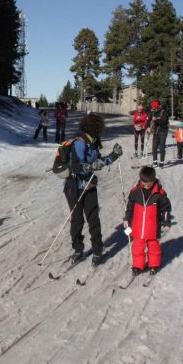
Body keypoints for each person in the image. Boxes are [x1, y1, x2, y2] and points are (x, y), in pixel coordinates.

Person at [62, 113, 123, 266]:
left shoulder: (94, 141)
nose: (100, 132)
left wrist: (113, 156)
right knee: (77, 219)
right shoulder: (80, 142)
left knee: (93, 218)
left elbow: (99, 161)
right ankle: (78, 249)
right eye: (99, 129)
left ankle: (97, 250)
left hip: (89, 185)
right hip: (74, 185)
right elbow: (76, 166)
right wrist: (91, 166)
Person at [123, 166, 171, 276]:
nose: (145, 186)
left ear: (154, 180)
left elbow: (166, 209)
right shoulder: (135, 191)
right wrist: (126, 218)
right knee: (137, 248)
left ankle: (153, 265)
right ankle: (137, 266)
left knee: (153, 247)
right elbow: (130, 207)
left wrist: (166, 222)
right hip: (138, 227)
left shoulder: (160, 193)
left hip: (152, 227)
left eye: (148, 184)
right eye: (143, 183)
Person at [146, 99, 169, 167]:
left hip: (163, 131)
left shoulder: (163, 112)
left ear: (158, 106)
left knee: (161, 147)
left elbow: (164, 123)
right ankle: (155, 161)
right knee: (154, 147)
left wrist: (157, 120)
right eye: (152, 107)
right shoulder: (152, 112)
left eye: (154, 107)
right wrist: (147, 127)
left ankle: (161, 162)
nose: (153, 108)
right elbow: (148, 120)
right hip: (156, 131)